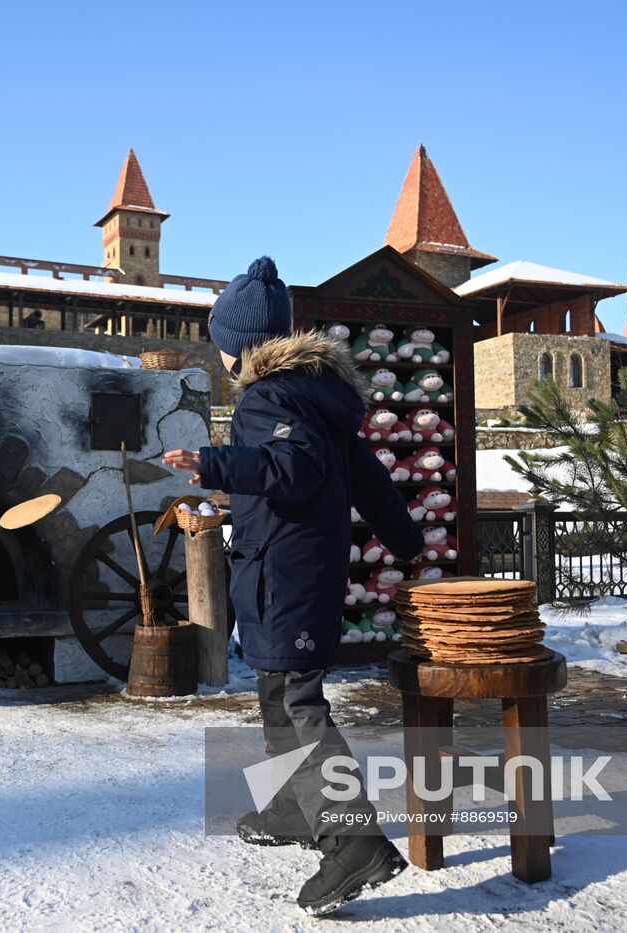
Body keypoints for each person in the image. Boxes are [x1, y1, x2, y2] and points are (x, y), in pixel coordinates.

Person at [162, 256, 424, 915]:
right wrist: (409, 541)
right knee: (275, 690)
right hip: (283, 570)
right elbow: (366, 476)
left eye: (221, 344)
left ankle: (354, 840)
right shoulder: (312, 396)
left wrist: (214, 461)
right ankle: (295, 804)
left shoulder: (269, 398)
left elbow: (294, 469)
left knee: (298, 699)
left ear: (239, 347)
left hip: (288, 574)